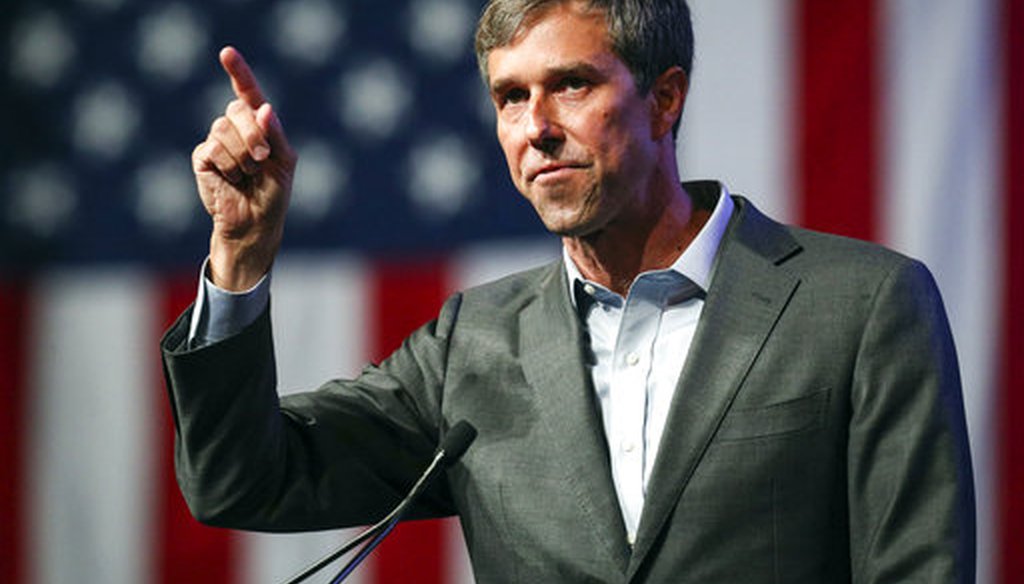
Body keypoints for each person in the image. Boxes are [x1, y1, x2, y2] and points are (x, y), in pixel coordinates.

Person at [161, 0, 976, 581]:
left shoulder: (861, 307)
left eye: (572, 85)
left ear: (665, 98)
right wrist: (239, 253)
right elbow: (243, 479)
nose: (535, 126)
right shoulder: (470, 346)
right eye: (511, 96)